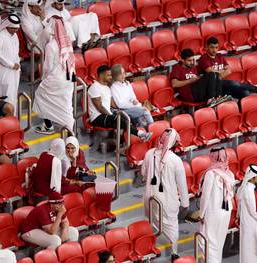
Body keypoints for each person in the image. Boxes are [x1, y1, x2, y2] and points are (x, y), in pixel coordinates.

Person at [142, 128, 189, 261]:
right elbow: (182, 185)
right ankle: (174, 253)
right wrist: (185, 204)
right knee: (172, 225)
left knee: (151, 221)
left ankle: (151, 247)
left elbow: (143, 174)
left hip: (150, 196)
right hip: (167, 199)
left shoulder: (149, 153)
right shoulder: (175, 160)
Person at [33, 15, 76, 134]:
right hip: (69, 77)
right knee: (65, 104)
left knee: (40, 96)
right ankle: (69, 126)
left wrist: (44, 79)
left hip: (56, 78)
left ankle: (48, 125)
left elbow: (47, 67)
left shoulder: (51, 45)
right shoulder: (67, 42)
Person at [88, 65, 152, 141]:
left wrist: (123, 111)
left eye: (111, 75)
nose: (111, 77)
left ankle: (128, 143)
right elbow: (100, 107)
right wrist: (113, 115)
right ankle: (140, 134)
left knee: (128, 117)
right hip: (97, 117)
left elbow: (113, 105)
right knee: (119, 119)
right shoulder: (94, 87)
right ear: (101, 75)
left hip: (107, 115)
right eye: (108, 75)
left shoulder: (107, 88)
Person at [198, 147, 237, 263]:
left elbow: (205, 196)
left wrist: (201, 214)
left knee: (206, 241)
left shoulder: (210, 174)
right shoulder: (229, 173)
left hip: (213, 212)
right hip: (226, 212)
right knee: (219, 242)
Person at [197, 37, 257, 103]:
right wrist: (221, 73)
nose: (214, 50)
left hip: (222, 85)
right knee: (233, 83)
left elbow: (229, 71)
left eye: (216, 47)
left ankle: (239, 112)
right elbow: (211, 72)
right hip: (211, 88)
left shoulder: (220, 56)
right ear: (206, 47)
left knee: (245, 93)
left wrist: (219, 76)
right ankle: (254, 88)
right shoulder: (203, 58)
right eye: (212, 47)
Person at [0, 14, 21, 113]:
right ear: (7, 26)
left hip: (14, 71)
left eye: (16, 29)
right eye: (13, 28)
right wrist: (11, 65)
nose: (15, 31)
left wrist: (16, 63)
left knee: (13, 94)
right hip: (2, 71)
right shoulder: (0, 36)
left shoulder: (15, 36)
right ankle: (4, 120)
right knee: (4, 95)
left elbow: (16, 52)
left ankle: (13, 119)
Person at [110, 64, 154, 128]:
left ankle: (143, 132)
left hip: (132, 107)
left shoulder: (127, 83)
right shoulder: (113, 87)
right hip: (122, 110)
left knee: (142, 121)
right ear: (115, 75)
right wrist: (134, 105)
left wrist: (134, 100)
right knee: (145, 110)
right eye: (120, 74)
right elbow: (120, 105)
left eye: (123, 73)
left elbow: (132, 96)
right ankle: (153, 128)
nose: (123, 75)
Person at [237, 164, 257, 263]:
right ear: (253, 178)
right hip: (249, 220)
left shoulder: (247, 187)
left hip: (246, 219)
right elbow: (251, 209)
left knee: (247, 243)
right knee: (250, 243)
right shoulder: (249, 189)